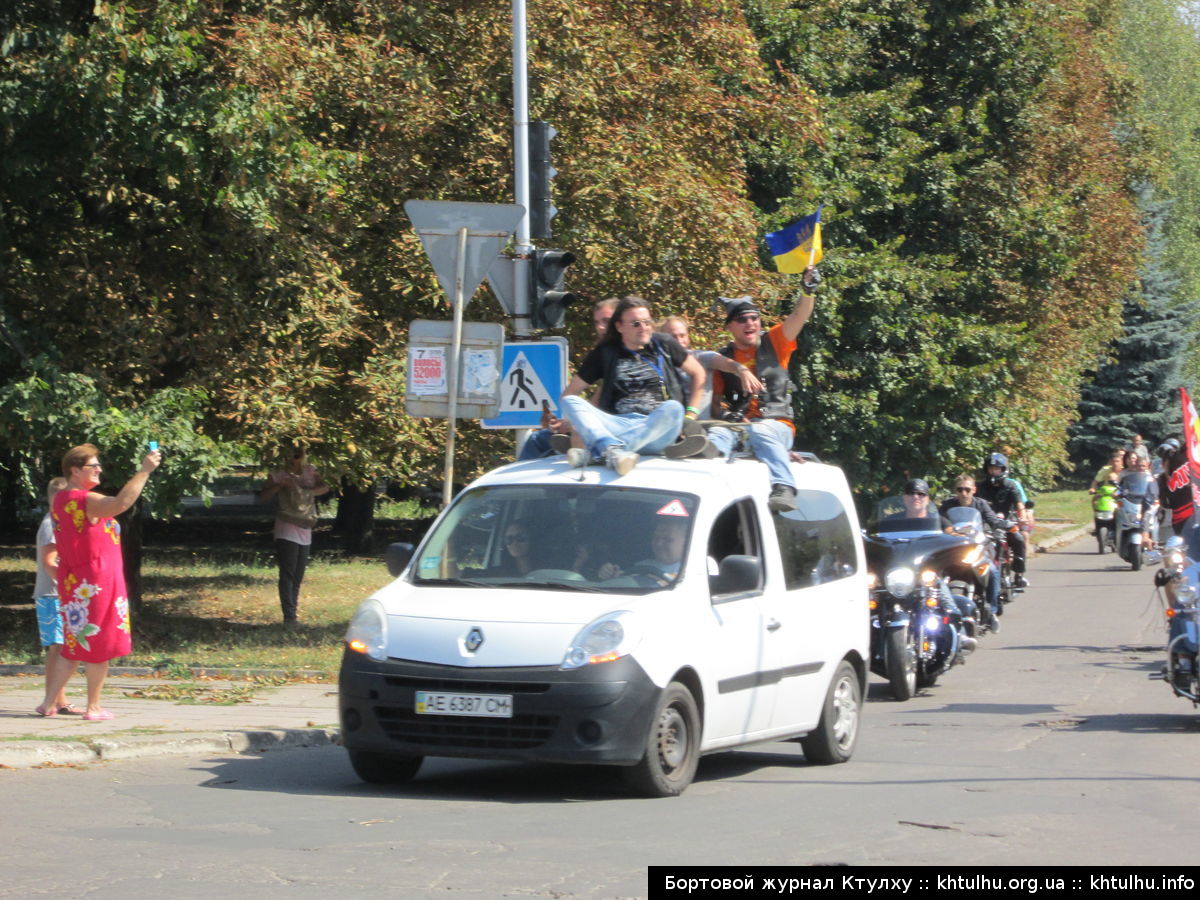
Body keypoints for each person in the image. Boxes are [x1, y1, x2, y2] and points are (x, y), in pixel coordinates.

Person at [42, 443, 161, 721]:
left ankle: (49, 703)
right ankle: (93, 707)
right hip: (96, 583)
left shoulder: (61, 500)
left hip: (76, 581)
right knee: (100, 643)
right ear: (74, 470)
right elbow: (120, 504)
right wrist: (145, 470)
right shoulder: (85, 500)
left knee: (73, 645)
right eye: (92, 466)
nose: (99, 469)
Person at [707, 268, 818, 513]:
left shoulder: (776, 341)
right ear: (730, 328)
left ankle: (784, 486)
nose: (750, 323)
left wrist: (807, 290)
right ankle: (706, 480)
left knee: (761, 430)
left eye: (754, 318)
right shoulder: (723, 359)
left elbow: (800, 315)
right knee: (716, 436)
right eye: (742, 319)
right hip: (740, 427)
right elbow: (716, 403)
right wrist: (727, 417)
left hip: (777, 426)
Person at [560, 297, 709, 474]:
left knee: (674, 407)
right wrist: (568, 423)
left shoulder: (664, 344)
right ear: (619, 326)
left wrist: (691, 413)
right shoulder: (605, 352)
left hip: (657, 428)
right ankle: (611, 450)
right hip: (618, 424)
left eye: (647, 322)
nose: (644, 328)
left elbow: (698, 372)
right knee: (570, 402)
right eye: (636, 323)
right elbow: (570, 393)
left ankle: (602, 452)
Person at [518, 298, 619, 461]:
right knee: (544, 436)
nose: (600, 327)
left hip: (620, 425)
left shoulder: (632, 349)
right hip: (606, 421)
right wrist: (569, 422)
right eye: (597, 322)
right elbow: (579, 395)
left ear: (621, 321)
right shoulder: (604, 353)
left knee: (538, 441)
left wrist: (572, 424)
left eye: (606, 321)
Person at [259, 447, 330, 624]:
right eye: (289, 456)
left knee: (298, 573)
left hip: (305, 524)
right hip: (287, 525)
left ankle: (293, 611)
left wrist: (306, 490)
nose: (293, 460)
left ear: (303, 455)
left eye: (297, 456)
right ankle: (289, 616)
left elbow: (325, 487)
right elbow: (263, 496)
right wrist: (280, 485)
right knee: (288, 573)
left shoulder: (310, 470)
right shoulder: (278, 473)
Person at [33, 477, 78, 717]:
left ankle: (58, 699)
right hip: (53, 594)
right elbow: (51, 562)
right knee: (59, 648)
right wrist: (68, 586)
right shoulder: (51, 524)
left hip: (56, 594)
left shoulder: (61, 522)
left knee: (61, 647)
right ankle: (54, 700)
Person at [939, 474, 1004, 631]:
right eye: (960, 489)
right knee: (936, 574)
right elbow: (936, 520)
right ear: (955, 490)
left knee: (993, 572)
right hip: (955, 549)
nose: (963, 493)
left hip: (979, 546)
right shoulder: (947, 506)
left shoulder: (981, 504)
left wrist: (999, 526)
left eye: (967, 489)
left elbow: (992, 520)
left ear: (974, 490)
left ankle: (992, 611)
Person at [975, 452, 1029, 589]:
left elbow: (1019, 503)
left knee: (1018, 539)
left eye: (997, 468)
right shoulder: (979, 486)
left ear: (1003, 469)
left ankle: (1019, 574)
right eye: (991, 468)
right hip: (986, 524)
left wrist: (1022, 515)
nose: (993, 471)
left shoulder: (1010, 485)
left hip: (1007, 522)